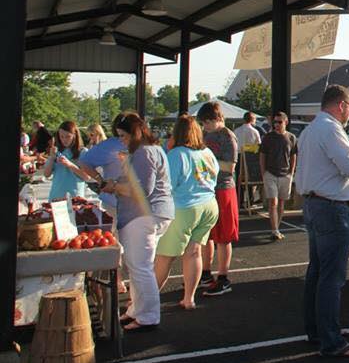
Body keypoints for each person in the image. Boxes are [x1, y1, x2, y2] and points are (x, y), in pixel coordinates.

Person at [295, 84, 349, 357]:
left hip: (314, 204)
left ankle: (317, 332)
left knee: (317, 272)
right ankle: (332, 341)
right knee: (331, 277)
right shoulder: (331, 128)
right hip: (331, 207)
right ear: (341, 105)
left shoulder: (310, 129)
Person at [101, 112, 174, 332]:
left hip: (143, 216)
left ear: (135, 133)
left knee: (140, 268)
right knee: (137, 267)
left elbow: (141, 190)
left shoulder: (144, 152)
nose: (121, 140)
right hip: (150, 215)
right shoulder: (152, 149)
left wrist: (114, 186)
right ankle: (137, 310)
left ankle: (148, 316)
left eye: (123, 136)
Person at [154, 115, 219, 310]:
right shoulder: (207, 152)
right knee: (194, 252)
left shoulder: (177, 154)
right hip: (209, 205)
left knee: (164, 256)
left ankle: (148, 301)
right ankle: (189, 298)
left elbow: (167, 186)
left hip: (184, 208)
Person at [198, 102, 240, 295]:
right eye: (203, 123)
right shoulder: (205, 135)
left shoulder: (228, 136)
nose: (205, 126)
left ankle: (223, 278)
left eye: (207, 122)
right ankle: (205, 274)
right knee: (206, 234)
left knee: (224, 236)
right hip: (207, 190)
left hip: (223, 189)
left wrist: (206, 162)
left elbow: (230, 167)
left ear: (217, 119)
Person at [260, 111, 298, 241]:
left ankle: (277, 227)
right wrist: (263, 172)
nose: (276, 124)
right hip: (270, 173)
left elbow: (293, 155)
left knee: (281, 203)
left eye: (279, 122)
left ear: (286, 122)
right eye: (274, 122)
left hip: (285, 174)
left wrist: (291, 172)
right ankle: (274, 230)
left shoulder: (291, 137)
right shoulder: (268, 137)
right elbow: (262, 155)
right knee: (273, 201)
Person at [44, 121, 87, 200]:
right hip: (56, 196)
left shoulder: (83, 152)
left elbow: (87, 177)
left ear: (75, 136)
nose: (64, 140)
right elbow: (46, 174)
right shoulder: (57, 151)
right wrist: (51, 158)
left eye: (68, 136)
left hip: (75, 197)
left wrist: (69, 165)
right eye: (62, 136)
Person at [233, 111, 262, 209]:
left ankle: (239, 201)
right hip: (250, 157)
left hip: (238, 156)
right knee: (250, 179)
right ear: (252, 120)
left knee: (239, 178)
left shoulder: (237, 131)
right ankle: (250, 200)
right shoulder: (254, 131)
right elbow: (258, 145)